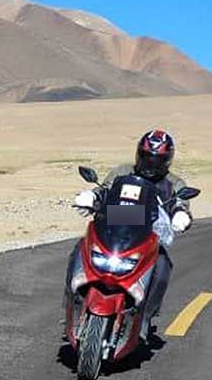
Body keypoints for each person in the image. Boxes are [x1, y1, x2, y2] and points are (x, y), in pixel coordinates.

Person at [70, 129, 192, 334]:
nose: (151, 163)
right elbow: (104, 189)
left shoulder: (174, 183)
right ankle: (73, 302)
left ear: (167, 161)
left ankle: (144, 318)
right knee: (79, 249)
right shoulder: (123, 172)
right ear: (138, 154)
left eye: (157, 160)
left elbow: (180, 202)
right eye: (146, 157)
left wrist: (181, 214)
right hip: (112, 229)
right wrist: (92, 197)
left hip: (148, 236)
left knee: (163, 264)